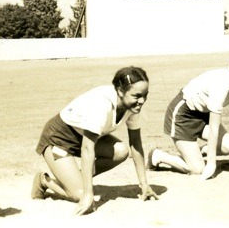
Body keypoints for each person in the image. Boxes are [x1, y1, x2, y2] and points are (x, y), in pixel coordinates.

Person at [31, 66, 159, 215]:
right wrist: (88, 193)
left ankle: (73, 179)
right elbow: (87, 148)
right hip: (59, 139)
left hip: (84, 138)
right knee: (80, 195)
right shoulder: (101, 104)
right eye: (137, 96)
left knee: (121, 151)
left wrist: (144, 184)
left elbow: (135, 144)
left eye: (145, 95)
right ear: (120, 91)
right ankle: (45, 181)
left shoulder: (132, 106)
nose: (142, 101)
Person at [148, 51, 229, 180]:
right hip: (183, 116)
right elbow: (213, 128)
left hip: (203, 115)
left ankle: (199, 153)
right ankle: (158, 156)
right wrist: (211, 164)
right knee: (198, 169)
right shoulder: (222, 84)